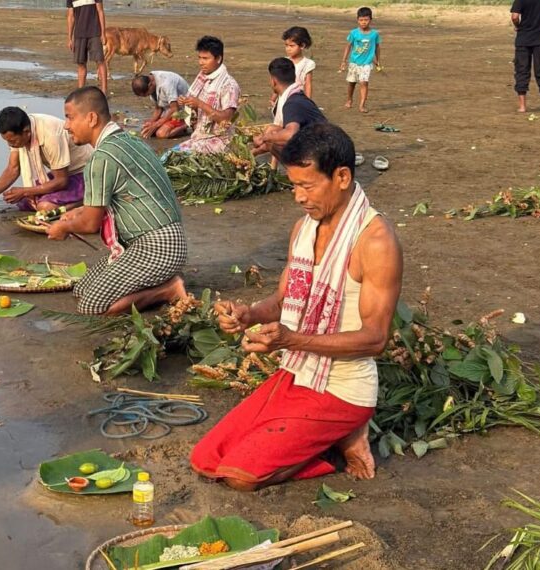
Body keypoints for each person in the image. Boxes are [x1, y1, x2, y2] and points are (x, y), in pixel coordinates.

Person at [191, 122, 403, 491]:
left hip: (343, 390)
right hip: (299, 375)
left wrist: (291, 340)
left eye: (308, 186)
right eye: (294, 186)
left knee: (240, 477)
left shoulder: (375, 241)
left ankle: (339, 443)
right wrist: (248, 314)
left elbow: (375, 339)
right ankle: (326, 437)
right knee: (206, 458)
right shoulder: (303, 230)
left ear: (341, 177)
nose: (299, 197)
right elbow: (283, 300)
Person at [47, 87, 187, 315]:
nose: (66, 125)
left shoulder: (102, 158)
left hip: (156, 248)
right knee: (81, 290)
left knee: (91, 307)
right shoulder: (128, 140)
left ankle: (168, 289)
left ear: (91, 118)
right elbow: (117, 199)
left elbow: (91, 224)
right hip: (165, 242)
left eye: (70, 117)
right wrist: (78, 212)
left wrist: (64, 227)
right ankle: (159, 281)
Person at [0, 107, 93, 213]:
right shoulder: (20, 129)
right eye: (7, 141)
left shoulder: (50, 135)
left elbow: (61, 181)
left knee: (44, 207)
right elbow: (13, 169)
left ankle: (86, 203)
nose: (10, 145)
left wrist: (25, 191)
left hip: (86, 173)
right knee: (24, 202)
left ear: (27, 132)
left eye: (12, 141)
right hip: (64, 174)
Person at [176, 36, 241, 154]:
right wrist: (187, 102)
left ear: (218, 59)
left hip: (220, 141)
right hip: (199, 137)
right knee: (168, 155)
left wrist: (200, 104)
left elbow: (226, 119)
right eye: (199, 58)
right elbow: (195, 112)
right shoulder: (202, 78)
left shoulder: (229, 85)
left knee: (175, 155)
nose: (201, 63)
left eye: (205, 58)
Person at [253, 58, 327, 160]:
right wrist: (254, 152)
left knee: (273, 138)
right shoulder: (297, 96)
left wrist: (265, 138)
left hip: (323, 153)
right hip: (322, 144)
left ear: (273, 81)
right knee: (273, 130)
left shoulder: (292, 103)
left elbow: (290, 135)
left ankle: (299, 169)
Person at [340, 7, 381, 113]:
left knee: (364, 82)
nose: (363, 22)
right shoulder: (354, 33)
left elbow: (377, 47)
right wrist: (344, 61)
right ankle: (349, 99)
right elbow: (348, 46)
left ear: (370, 20)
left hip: (367, 63)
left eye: (366, 20)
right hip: (354, 62)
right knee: (352, 83)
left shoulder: (374, 34)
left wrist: (378, 61)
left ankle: (362, 105)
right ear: (357, 20)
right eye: (361, 20)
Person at [131, 71, 190, 139]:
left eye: (147, 94)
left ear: (150, 85)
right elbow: (158, 108)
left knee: (161, 134)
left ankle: (186, 123)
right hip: (170, 110)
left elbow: (174, 109)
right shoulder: (153, 82)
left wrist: (156, 125)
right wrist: (151, 122)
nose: (148, 95)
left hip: (183, 111)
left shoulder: (166, 84)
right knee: (147, 127)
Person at [67, 0, 108, 95]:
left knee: (100, 61)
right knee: (81, 63)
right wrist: (69, 38)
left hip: (95, 33)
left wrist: (103, 33)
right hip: (79, 35)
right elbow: (70, 16)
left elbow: (100, 11)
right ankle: (80, 92)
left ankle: (104, 91)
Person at [283, 26, 315, 99]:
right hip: (284, 98)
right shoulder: (284, 61)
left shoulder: (308, 64)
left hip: (298, 98)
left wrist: (308, 101)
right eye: (286, 45)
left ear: (302, 46)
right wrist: (274, 97)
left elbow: (308, 84)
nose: (288, 49)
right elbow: (280, 81)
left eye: (291, 46)